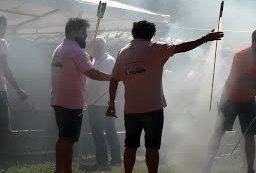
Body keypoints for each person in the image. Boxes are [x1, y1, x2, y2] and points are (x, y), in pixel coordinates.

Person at [106, 20, 224, 173]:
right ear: (151, 34)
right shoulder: (155, 48)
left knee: (130, 146)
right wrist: (205, 39)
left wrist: (111, 103)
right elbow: (182, 47)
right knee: (152, 148)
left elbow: (114, 79)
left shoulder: (123, 52)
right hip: (152, 108)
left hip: (131, 109)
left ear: (134, 33)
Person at [203, 29, 256, 173]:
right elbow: (240, 81)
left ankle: (250, 169)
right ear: (254, 42)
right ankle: (207, 166)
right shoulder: (240, 55)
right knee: (219, 131)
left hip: (248, 99)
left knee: (250, 135)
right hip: (230, 97)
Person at [51, 18, 112, 173]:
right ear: (73, 32)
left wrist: (86, 61)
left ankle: (62, 170)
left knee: (63, 138)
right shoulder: (75, 51)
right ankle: (64, 170)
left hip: (58, 100)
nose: (86, 36)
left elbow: (79, 67)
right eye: (83, 32)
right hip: (71, 102)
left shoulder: (59, 48)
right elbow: (92, 73)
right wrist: (113, 77)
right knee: (68, 140)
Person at [86, 37, 122, 169]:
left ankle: (116, 160)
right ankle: (101, 160)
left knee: (110, 132)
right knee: (97, 133)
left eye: (96, 46)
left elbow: (114, 81)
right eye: (93, 46)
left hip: (105, 103)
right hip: (92, 103)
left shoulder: (110, 61)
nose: (94, 49)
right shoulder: (91, 61)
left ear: (102, 47)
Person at [0, 15, 27, 157]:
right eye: (3, 26)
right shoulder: (2, 42)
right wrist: (18, 89)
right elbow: (4, 67)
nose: (4, 30)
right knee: (3, 128)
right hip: (0, 91)